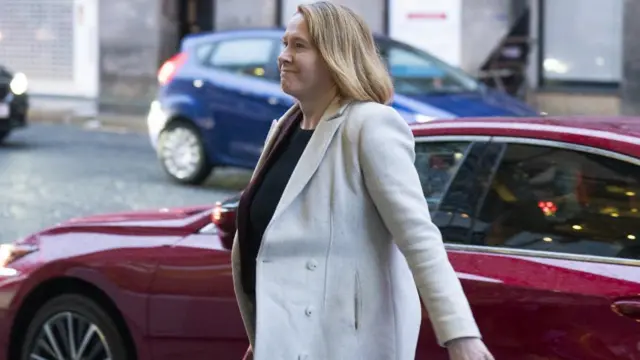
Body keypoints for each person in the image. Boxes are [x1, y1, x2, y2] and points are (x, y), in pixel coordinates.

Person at [230, 2, 495, 359]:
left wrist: (460, 335)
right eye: (285, 43)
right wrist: (266, 338)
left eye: (299, 46)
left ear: (335, 57)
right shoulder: (284, 130)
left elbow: (418, 237)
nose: (284, 56)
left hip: (343, 346)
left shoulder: (370, 125)